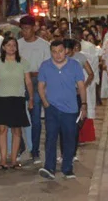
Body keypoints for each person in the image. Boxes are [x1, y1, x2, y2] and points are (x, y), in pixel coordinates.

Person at [37, 40, 87, 180]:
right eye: (54, 52)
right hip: (52, 108)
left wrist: (84, 105)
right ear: (51, 52)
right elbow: (41, 86)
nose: (57, 54)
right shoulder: (45, 66)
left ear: (65, 50)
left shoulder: (74, 65)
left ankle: (67, 168)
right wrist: (45, 103)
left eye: (60, 51)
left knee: (69, 139)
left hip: (70, 109)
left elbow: (81, 86)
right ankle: (49, 167)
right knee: (51, 138)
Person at [0, 37, 33, 170]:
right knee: (2, 129)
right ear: (3, 47)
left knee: (17, 130)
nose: (11, 48)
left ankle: (14, 160)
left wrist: (31, 98)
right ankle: (3, 159)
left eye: (14, 45)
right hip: (1, 98)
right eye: (8, 45)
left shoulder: (23, 62)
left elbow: (28, 82)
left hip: (18, 98)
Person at [18, 16, 51, 164]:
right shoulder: (17, 45)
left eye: (27, 28)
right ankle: (21, 146)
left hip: (37, 80)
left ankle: (35, 150)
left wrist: (44, 86)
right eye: (22, 29)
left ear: (34, 28)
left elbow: (47, 66)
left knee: (35, 118)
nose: (24, 32)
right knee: (17, 117)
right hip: (20, 80)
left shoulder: (44, 45)